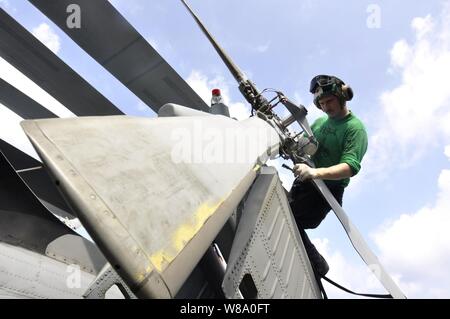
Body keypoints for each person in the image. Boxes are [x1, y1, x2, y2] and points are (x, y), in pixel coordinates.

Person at [289, 74, 368, 277]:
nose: (326, 107)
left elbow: (349, 167)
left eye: (330, 101)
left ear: (342, 97)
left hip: (328, 190)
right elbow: (305, 145)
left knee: (291, 219)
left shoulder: (355, 129)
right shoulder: (320, 122)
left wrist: (315, 172)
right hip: (307, 183)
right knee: (283, 213)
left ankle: (317, 265)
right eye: (322, 103)